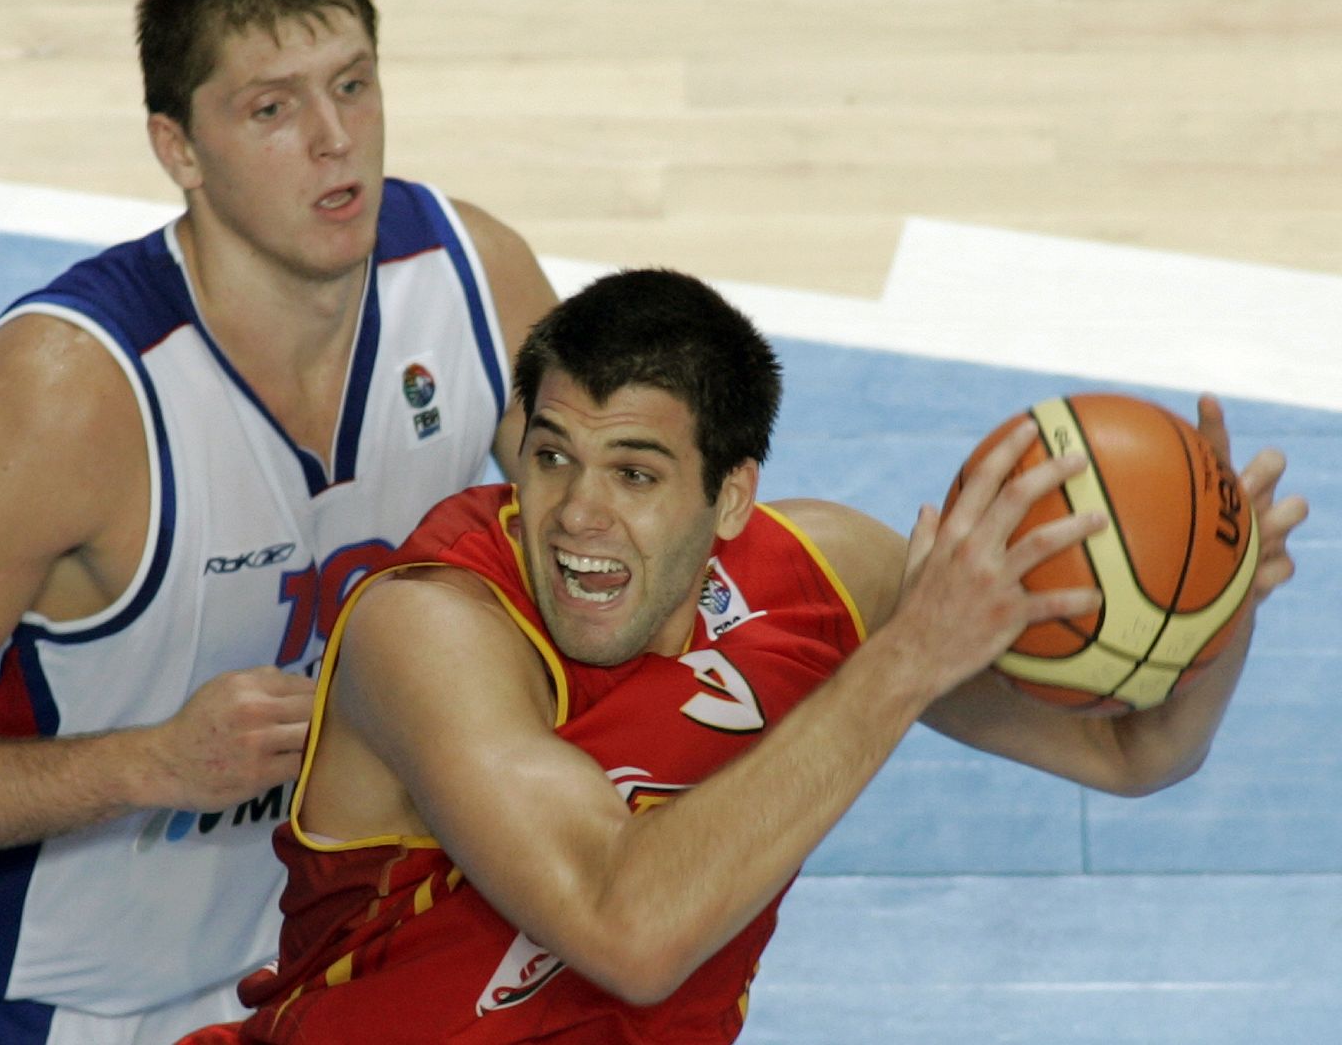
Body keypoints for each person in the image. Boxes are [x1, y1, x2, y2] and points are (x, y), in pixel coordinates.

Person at [0, 0, 557, 1044]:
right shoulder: (71, 391)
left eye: (353, 85)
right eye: (271, 109)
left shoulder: (472, 282)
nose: (334, 140)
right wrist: (149, 762)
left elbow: (630, 553)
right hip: (4, 1001)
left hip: (292, 981)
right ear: (178, 149)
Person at [179, 268, 1306, 1044]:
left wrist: (1211, 595)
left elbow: (1134, 748)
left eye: (633, 472)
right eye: (551, 455)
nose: (575, 512)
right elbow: (626, 931)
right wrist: (906, 657)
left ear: (730, 497)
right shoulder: (427, 629)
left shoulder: (827, 580)